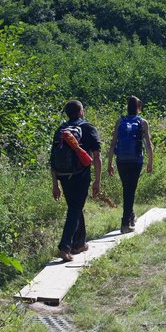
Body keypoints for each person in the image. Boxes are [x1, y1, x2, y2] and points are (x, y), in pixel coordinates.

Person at [50, 100, 102, 262]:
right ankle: (65, 246)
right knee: (75, 208)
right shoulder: (87, 127)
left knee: (75, 207)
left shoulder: (61, 129)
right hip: (80, 174)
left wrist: (55, 184)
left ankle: (79, 244)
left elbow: (52, 159)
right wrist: (97, 181)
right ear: (81, 111)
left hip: (63, 174)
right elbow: (97, 156)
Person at [107, 95, 154, 234]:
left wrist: (109, 163)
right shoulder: (142, 122)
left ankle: (131, 216)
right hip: (135, 160)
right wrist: (150, 161)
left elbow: (113, 143)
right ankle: (125, 223)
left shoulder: (120, 121)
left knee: (127, 188)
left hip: (121, 160)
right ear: (138, 108)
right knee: (130, 190)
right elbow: (148, 145)